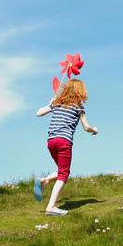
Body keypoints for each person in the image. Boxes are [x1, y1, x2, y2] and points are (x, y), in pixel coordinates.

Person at [34, 79, 98, 216]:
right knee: (64, 174)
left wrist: (50, 104)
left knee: (62, 170)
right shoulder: (78, 106)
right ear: (80, 91)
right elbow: (86, 127)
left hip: (51, 142)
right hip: (64, 141)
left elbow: (38, 113)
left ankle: (44, 181)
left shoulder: (57, 103)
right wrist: (94, 130)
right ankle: (50, 207)